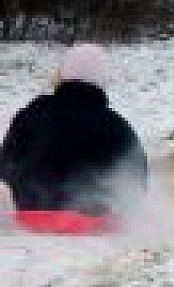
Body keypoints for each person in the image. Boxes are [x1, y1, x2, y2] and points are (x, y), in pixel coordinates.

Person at [0, 44, 148, 216]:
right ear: (102, 80)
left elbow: (5, 164)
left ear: (63, 74)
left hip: (32, 216)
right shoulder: (117, 126)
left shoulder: (31, 114)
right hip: (93, 223)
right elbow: (137, 181)